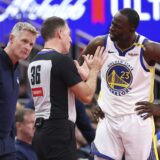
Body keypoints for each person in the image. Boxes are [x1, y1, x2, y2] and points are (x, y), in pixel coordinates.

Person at [79, 8, 160, 160]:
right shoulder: (99, 43)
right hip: (108, 118)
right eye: (112, 23)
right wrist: (98, 101)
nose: (111, 27)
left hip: (137, 119)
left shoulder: (149, 48)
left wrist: (159, 108)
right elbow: (76, 73)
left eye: (117, 25)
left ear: (131, 29)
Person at [27, 16, 106, 160]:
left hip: (40, 133)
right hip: (59, 133)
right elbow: (87, 97)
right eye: (68, 34)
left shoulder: (34, 61)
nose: (70, 39)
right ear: (59, 33)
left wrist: (81, 78)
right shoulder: (61, 60)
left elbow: (57, 90)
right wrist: (95, 70)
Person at [0, 22, 38, 160]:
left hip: (8, 145)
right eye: (24, 41)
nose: (27, 47)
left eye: (31, 44)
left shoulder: (16, 70)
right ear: (11, 38)